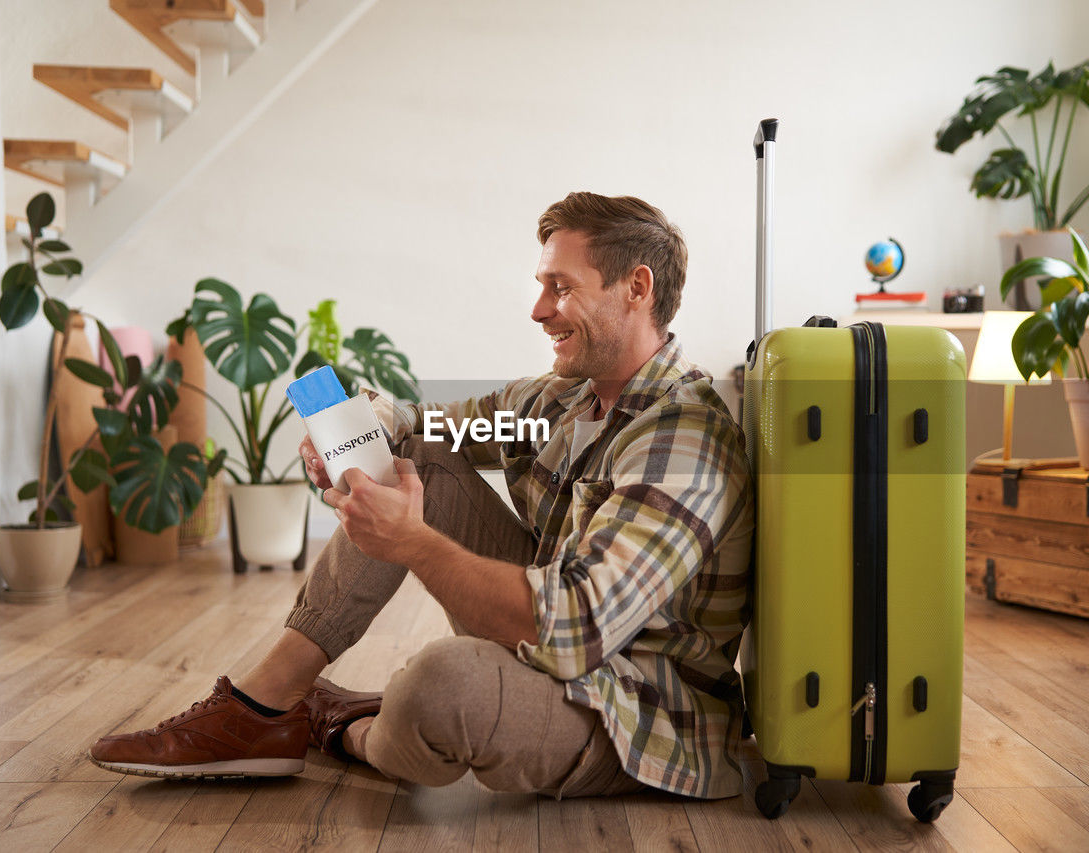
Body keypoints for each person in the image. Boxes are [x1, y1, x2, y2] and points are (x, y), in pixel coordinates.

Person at [89, 192, 755, 800]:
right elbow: (431, 422)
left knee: (442, 685)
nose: (539, 308)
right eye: (540, 286)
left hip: (634, 712)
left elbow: (576, 628)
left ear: (636, 288)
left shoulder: (682, 438)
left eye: (561, 287)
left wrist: (413, 542)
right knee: (417, 463)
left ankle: (339, 723)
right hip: (558, 656)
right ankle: (263, 705)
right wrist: (362, 433)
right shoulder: (557, 402)